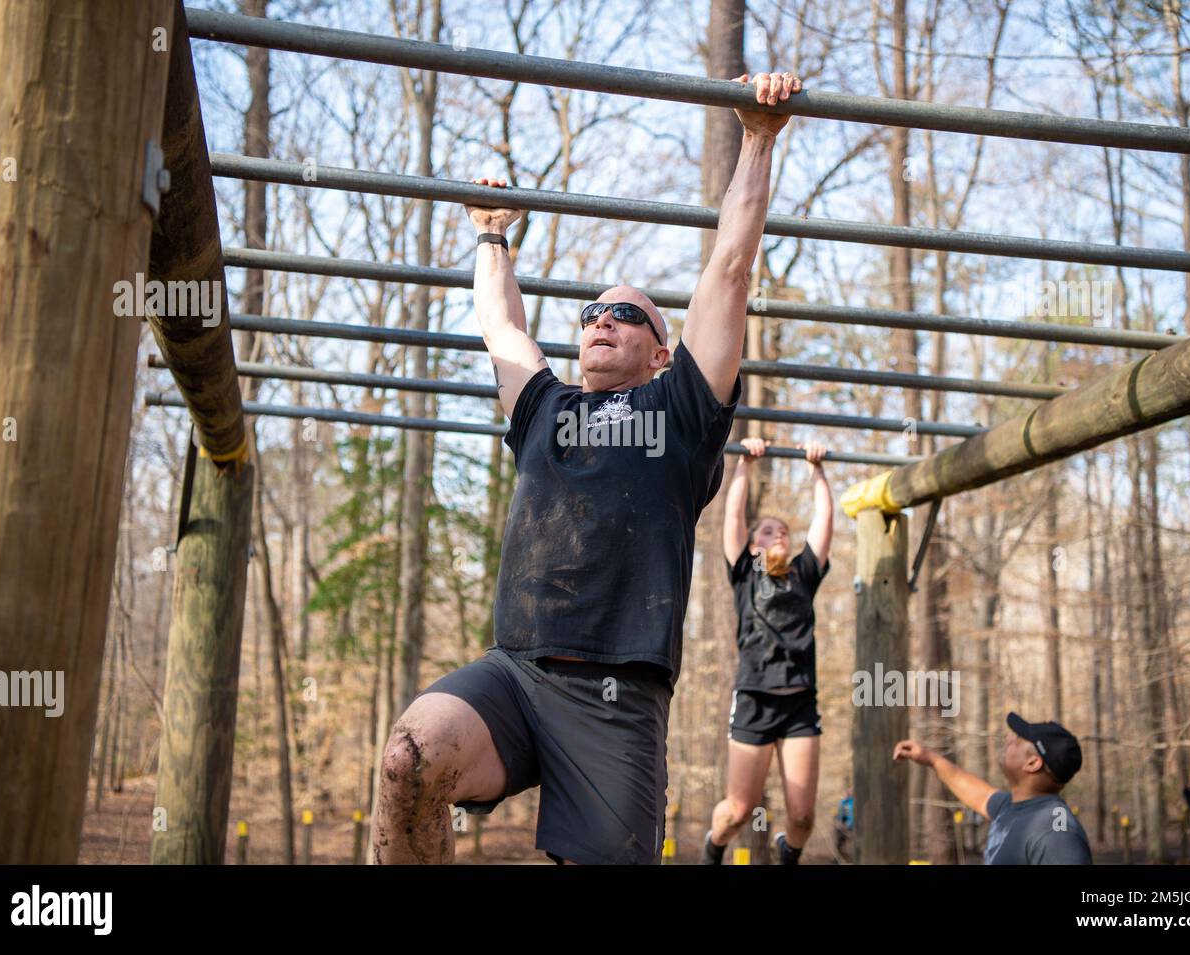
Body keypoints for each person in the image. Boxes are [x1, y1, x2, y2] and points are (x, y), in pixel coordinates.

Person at [371, 70, 805, 865]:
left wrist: (756, 137)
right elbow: (501, 324)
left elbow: (730, 270)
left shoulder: (682, 410)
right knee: (411, 756)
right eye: (592, 313)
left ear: (662, 348)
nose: (603, 320)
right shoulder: (544, 407)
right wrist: (492, 231)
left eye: (626, 313)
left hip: (618, 697)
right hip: (515, 670)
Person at [703, 435, 833, 865]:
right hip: (755, 699)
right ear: (755, 544)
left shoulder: (803, 573)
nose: (777, 533)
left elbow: (824, 520)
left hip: (799, 702)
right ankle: (714, 846)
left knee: (802, 815)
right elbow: (734, 515)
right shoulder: (744, 571)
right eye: (767, 530)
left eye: (783, 531)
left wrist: (816, 469)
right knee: (738, 812)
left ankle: (788, 853)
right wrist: (745, 464)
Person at [893, 713, 1092, 864]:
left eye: (1018, 739)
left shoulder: (1056, 833)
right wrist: (931, 759)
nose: (1009, 738)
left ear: (1032, 763)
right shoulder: (1014, 805)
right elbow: (980, 795)